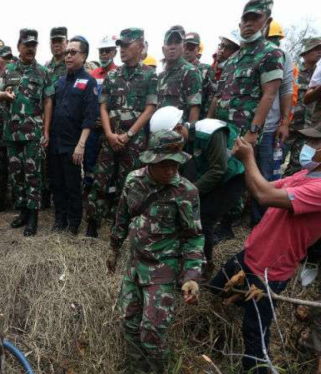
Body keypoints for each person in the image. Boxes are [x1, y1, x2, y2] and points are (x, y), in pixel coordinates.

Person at [210, 120, 321, 374]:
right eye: (309, 140)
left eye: (316, 142)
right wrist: (249, 160)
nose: (308, 146)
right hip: (251, 254)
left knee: (255, 337)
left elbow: (263, 196)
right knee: (217, 288)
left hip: (270, 271)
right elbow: (265, 187)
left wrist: (248, 158)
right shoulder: (307, 174)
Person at [109, 130, 203, 373]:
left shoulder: (186, 191)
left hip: (163, 270)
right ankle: (136, 369)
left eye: (175, 164)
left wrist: (191, 277)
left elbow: (194, 238)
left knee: (153, 332)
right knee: (129, 324)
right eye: (164, 165)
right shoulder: (133, 181)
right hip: (134, 267)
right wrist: (114, 248)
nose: (170, 170)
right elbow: (122, 216)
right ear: (150, 160)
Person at [150, 106, 245, 276]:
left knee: (204, 218)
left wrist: (189, 192)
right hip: (210, 175)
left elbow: (218, 170)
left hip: (232, 177)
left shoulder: (210, 131)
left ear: (179, 129)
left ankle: (204, 267)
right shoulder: (184, 141)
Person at [86, 28, 158, 238]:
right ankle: (93, 222)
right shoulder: (113, 75)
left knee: (128, 183)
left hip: (133, 141)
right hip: (110, 138)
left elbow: (150, 108)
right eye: (121, 46)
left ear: (140, 45)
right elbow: (103, 107)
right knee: (100, 179)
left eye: (127, 45)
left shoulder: (149, 75)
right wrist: (109, 134)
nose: (122, 50)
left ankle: (121, 227)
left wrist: (129, 135)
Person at [0, 29, 54, 236]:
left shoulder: (43, 72)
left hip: (33, 135)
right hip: (12, 134)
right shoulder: (8, 70)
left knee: (33, 175)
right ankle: (23, 213)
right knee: (16, 175)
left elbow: (48, 101)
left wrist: (46, 130)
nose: (30, 48)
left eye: (34, 45)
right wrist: (4, 95)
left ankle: (33, 217)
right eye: (27, 45)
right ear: (19, 46)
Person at [209, 0, 283, 146]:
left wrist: (253, 131)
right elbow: (218, 96)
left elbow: (269, 95)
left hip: (242, 134)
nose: (249, 24)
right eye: (245, 19)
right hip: (219, 130)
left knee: (239, 169)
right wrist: (207, 123)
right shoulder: (232, 59)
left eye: (255, 18)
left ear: (267, 22)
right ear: (240, 25)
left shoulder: (271, 53)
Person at [49, 36, 99, 235]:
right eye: (67, 52)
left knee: (72, 186)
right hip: (56, 142)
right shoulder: (60, 81)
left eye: (73, 52)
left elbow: (90, 117)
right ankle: (60, 220)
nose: (68, 56)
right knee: (57, 184)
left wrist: (81, 145)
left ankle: (74, 223)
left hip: (73, 144)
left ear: (84, 55)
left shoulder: (89, 81)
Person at [249, 19, 295, 225]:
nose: (273, 43)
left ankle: (261, 220)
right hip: (245, 127)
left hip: (268, 128)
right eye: (271, 39)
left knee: (266, 174)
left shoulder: (283, 56)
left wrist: (284, 122)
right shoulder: (249, 54)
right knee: (244, 173)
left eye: (276, 39)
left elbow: (286, 90)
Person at [87, 35, 119, 195]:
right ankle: (90, 191)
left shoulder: (119, 74)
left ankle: (109, 195)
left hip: (111, 129)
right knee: (91, 160)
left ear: (114, 51)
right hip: (93, 128)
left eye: (107, 51)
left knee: (110, 163)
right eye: (101, 51)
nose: (104, 54)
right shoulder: (92, 75)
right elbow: (88, 101)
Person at [42, 26, 68, 210]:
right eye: (53, 41)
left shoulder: (72, 65)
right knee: (46, 163)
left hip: (66, 123)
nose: (56, 45)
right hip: (47, 123)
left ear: (66, 42)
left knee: (65, 163)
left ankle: (65, 198)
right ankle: (45, 198)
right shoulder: (45, 68)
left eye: (60, 41)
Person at [288, 37, 321, 176]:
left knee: (297, 166)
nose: (319, 52)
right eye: (315, 49)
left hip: (307, 128)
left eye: (320, 50)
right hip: (288, 125)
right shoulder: (293, 71)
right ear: (306, 53)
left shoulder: (318, 74)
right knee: (275, 160)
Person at [157, 27, 203, 124]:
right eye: (169, 43)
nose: (172, 47)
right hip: (157, 132)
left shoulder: (191, 71)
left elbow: (194, 108)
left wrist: (189, 133)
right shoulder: (160, 76)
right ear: (163, 49)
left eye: (177, 42)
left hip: (178, 134)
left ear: (183, 47)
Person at [0, 45, 14, 211]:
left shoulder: (16, 78)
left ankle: (15, 200)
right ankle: (0, 200)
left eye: (10, 59)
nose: (7, 62)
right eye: (4, 59)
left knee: (14, 165)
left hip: (14, 130)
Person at [203, 31, 241, 119]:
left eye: (228, 48)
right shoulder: (208, 69)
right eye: (222, 45)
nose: (222, 50)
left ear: (237, 52)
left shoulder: (237, 73)